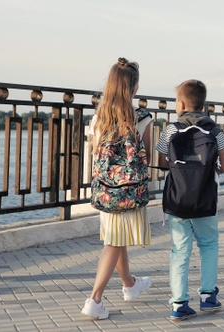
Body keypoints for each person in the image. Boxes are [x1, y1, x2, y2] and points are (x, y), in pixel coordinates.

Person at [81, 57, 154, 320]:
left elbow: (94, 153)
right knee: (113, 242)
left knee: (116, 237)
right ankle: (95, 299)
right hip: (130, 190)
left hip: (105, 190)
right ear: (133, 88)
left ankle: (130, 285)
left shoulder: (97, 119)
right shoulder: (143, 118)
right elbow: (149, 158)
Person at [155, 79, 224, 321]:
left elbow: (163, 162)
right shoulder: (215, 131)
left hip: (178, 199)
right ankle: (208, 297)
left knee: (180, 250)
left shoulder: (171, 130)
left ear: (182, 104)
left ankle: (179, 303)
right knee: (208, 244)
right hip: (206, 198)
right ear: (203, 103)